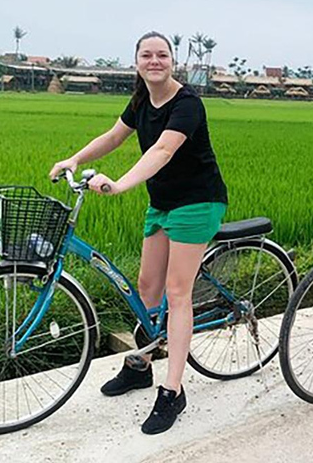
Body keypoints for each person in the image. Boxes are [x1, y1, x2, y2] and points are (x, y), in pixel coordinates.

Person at [49, 31, 228, 433]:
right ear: (136, 62)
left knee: (177, 292)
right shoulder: (141, 100)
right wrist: (74, 158)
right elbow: (114, 137)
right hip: (163, 202)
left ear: (172, 61)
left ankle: (173, 391)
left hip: (197, 202)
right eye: (146, 55)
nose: (154, 61)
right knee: (147, 286)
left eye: (161, 55)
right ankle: (139, 366)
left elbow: (162, 151)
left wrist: (121, 185)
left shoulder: (187, 104)